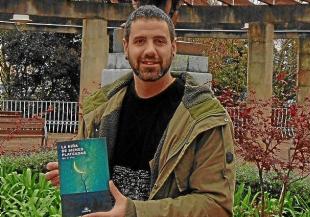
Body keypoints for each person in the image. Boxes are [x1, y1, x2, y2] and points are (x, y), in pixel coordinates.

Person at [46, 5, 235, 217]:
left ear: (173, 47)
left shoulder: (204, 118)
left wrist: (134, 212)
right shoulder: (99, 111)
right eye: (139, 41)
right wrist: (75, 179)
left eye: (160, 41)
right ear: (126, 48)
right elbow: (90, 195)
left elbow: (216, 206)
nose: (150, 51)